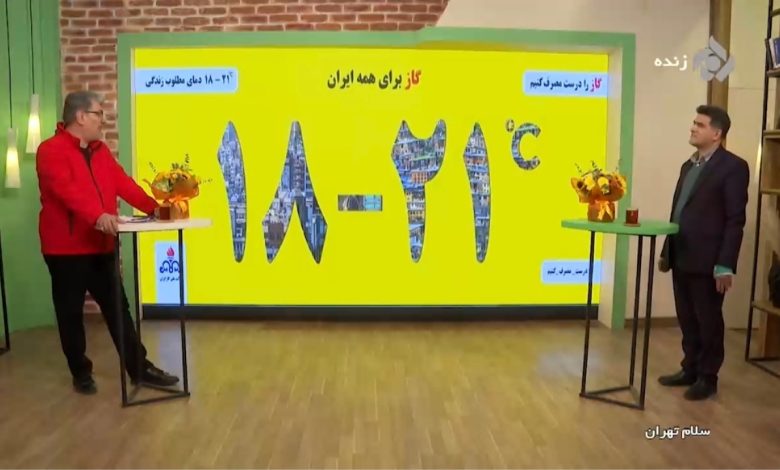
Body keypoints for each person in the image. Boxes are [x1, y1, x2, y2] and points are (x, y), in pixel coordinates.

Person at [36, 91, 179, 394]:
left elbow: (124, 184)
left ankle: (139, 369)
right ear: (81, 117)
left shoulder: (101, 151)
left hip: (101, 245)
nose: (103, 120)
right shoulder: (50, 151)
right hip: (66, 250)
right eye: (98, 114)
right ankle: (80, 372)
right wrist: (97, 215)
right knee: (70, 313)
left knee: (118, 308)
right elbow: (66, 191)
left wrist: (155, 208)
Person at [658, 105, 750, 401]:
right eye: (693, 123)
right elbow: (678, 211)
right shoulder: (689, 165)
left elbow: (735, 219)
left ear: (717, 133)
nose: (693, 128)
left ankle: (708, 377)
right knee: (687, 318)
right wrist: (667, 251)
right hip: (681, 255)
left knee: (708, 320)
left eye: (700, 124)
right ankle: (690, 368)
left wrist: (725, 264)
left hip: (709, 260)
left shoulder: (733, 167)